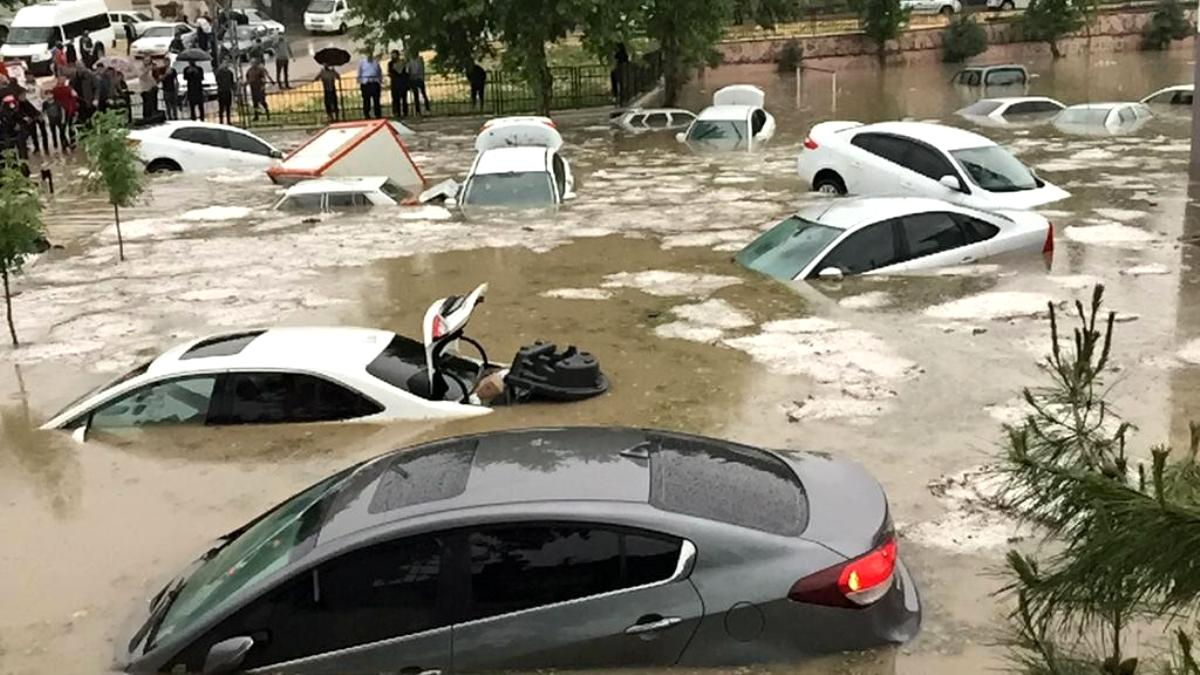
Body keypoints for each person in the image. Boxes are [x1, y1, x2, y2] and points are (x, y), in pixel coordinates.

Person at [18, 85, 46, 156]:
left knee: (43, 132)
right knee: (33, 134)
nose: (24, 96)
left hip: (35, 117)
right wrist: (26, 118)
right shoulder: (18, 104)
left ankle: (45, 147)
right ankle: (36, 148)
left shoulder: (26, 101)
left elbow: (32, 109)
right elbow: (20, 113)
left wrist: (39, 115)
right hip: (29, 120)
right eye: (23, 95)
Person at [50, 76, 76, 148]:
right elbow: (53, 99)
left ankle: (72, 142)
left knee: (71, 127)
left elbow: (74, 99)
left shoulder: (69, 89)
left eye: (63, 80)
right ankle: (64, 143)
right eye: (60, 80)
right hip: (60, 111)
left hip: (69, 110)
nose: (62, 81)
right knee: (62, 128)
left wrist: (74, 109)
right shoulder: (55, 90)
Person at [357, 53, 381, 119]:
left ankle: (378, 115)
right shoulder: (362, 63)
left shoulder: (376, 63)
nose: (369, 56)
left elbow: (379, 72)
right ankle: (367, 115)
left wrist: (379, 80)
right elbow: (359, 72)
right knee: (366, 100)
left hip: (374, 83)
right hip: (366, 84)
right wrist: (360, 81)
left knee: (376, 100)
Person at [387, 49, 408, 118]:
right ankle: (397, 112)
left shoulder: (402, 63)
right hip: (395, 83)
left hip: (402, 82)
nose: (393, 56)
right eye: (392, 55)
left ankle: (405, 112)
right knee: (395, 99)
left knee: (404, 98)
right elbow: (390, 72)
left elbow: (405, 72)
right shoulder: (390, 63)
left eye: (395, 55)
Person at [214, 58, 234, 125]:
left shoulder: (230, 72)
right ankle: (221, 121)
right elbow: (217, 80)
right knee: (221, 107)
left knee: (228, 107)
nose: (226, 64)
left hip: (228, 91)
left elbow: (232, 81)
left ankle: (228, 120)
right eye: (224, 63)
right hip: (221, 91)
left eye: (227, 63)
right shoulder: (219, 72)